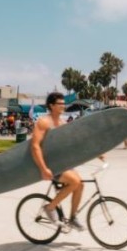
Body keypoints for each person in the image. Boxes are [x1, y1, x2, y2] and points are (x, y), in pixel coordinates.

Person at [30, 92, 91, 233]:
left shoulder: (63, 123)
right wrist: (43, 168)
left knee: (80, 185)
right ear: (51, 106)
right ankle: (49, 207)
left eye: (64, 103)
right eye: (60, 104)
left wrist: (95, 152)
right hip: (51, 165)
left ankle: (73, 218)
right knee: (75, 182)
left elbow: (72, 143)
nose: (63, 106)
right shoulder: (43, 122)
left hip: (63, 163)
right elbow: (35, 146)